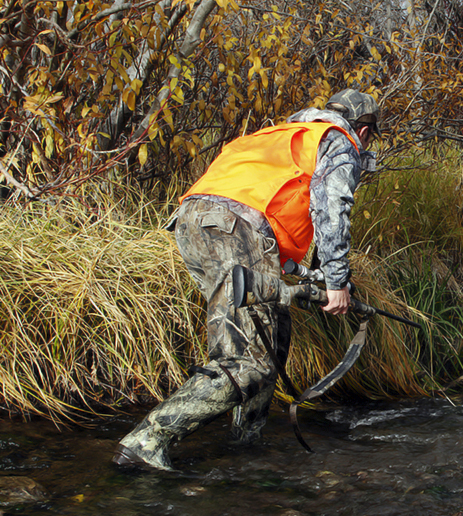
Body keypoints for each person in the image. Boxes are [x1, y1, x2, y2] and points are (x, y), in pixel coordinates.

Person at [112, 89, 379, 471]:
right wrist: (337, 282)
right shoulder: (339, 140)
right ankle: (147, 440)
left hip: (193, 223)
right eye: (369, 137)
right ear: (365, 130)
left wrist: (309, 280)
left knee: (272, 337)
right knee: (247, 360)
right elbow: (332, 208)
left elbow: (274, 214)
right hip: (236, 228)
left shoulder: (282, 135)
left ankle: (245, 444)